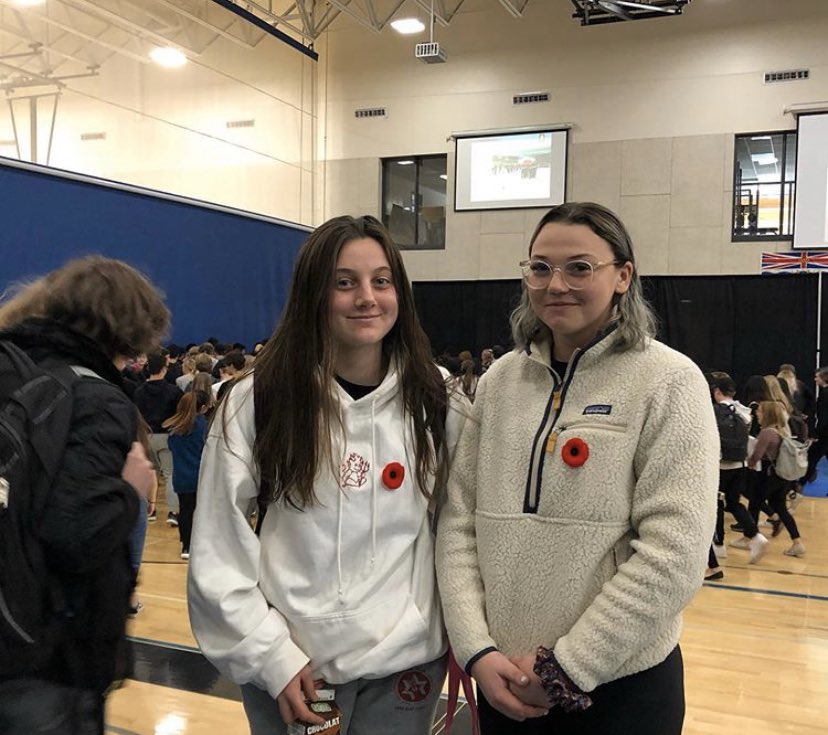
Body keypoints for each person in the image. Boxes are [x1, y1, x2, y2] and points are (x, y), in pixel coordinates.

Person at [435, 202, 719, 735]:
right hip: (504, 683)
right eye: (540, 267)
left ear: (623, 276)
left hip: (620, 691)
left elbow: (675, 553)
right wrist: (476, 650)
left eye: (579, 267)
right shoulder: (499, 382)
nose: (555, 283)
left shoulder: (669, 381)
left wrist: (567, 668)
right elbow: (458, 524)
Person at [188, 215, 466, 735]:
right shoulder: (258, 399)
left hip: (405, 665)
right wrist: (270, 656)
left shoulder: (437, 396)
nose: (367, 297)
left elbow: (462, 529)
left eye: (381, 281)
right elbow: (217, 547)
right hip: (297, 670)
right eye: (345, 282)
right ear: (313, 294)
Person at [0, 255, 169, 734]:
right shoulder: (94, 397)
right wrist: (130, 492)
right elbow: (76, 533)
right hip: (47, 653)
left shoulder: (13, 372)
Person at [747, 401, 806, 557]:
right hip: (782, 476)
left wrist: (748, 462)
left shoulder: (767, 432)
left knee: (754, 503)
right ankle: (797, 542)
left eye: (759, 411)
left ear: (766, 414)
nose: (757, 414)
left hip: (768, 475)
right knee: (780, 508)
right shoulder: (782, 430)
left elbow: (757, 455)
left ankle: (753, 538)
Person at [163, 391, 210, 560]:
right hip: (200, 475)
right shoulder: (203, 425)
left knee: (185, 510)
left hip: (181, 475)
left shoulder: (174, 428)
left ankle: (186, 545)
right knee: (201, 512)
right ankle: (200, 544)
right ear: (203, 407)